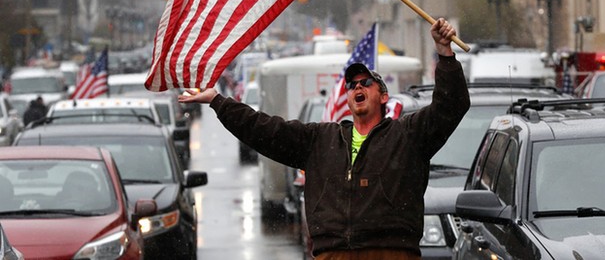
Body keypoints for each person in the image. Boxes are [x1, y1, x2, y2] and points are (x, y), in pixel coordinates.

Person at [179, 18, 470, 260]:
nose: (357, 87)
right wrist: (219, 101)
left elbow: (451, 106)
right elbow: (264, 130)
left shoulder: (407, 135)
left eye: (365, 83)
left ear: (383, 97)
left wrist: (445, 53)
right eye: (351, 85)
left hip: (391, 252)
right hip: (332, 254)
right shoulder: (321, 139)